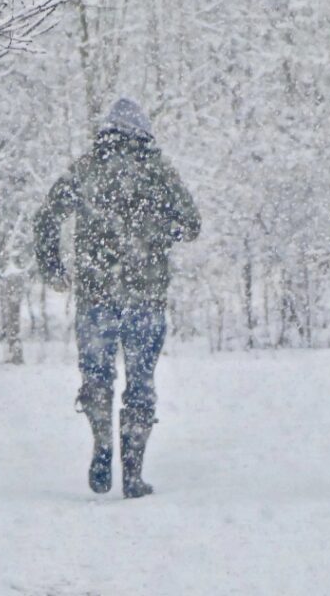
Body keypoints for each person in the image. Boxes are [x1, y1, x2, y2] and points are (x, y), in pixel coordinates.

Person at [34, 98, 200, 499]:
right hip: (146, 296)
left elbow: (47, 216)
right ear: (144, 132)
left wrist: (53, 267)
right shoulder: (158, 170)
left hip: (96, 296)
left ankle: (102, 442)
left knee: (96, 377)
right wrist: (161, 232)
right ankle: (133, 473)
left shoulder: (87, 167)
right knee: (140, 382)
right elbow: (192, 224)